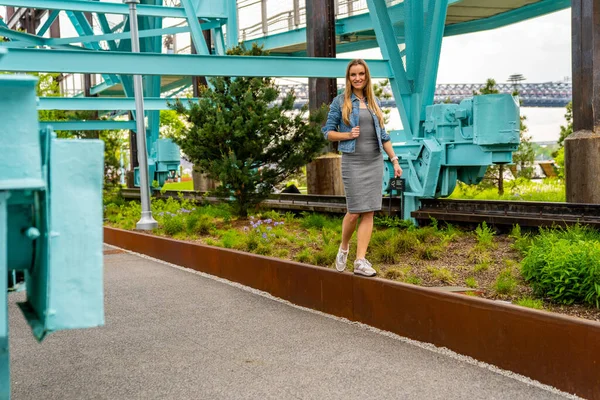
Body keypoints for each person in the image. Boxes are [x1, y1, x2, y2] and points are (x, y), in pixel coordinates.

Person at [321, 59, 402, 277]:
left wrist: (394, 160)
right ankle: (344, 246)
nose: (358, 78)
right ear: (348, 78)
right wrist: (347, 135)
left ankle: (360, 261)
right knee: (354, 212)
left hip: (374, 161)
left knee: (370, 211)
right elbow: (327, 132)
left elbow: (384, 136)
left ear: (367, 76)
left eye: (361, 74)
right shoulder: (340, 102)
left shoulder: (374, 102)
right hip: (353, 161)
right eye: (353, 74)